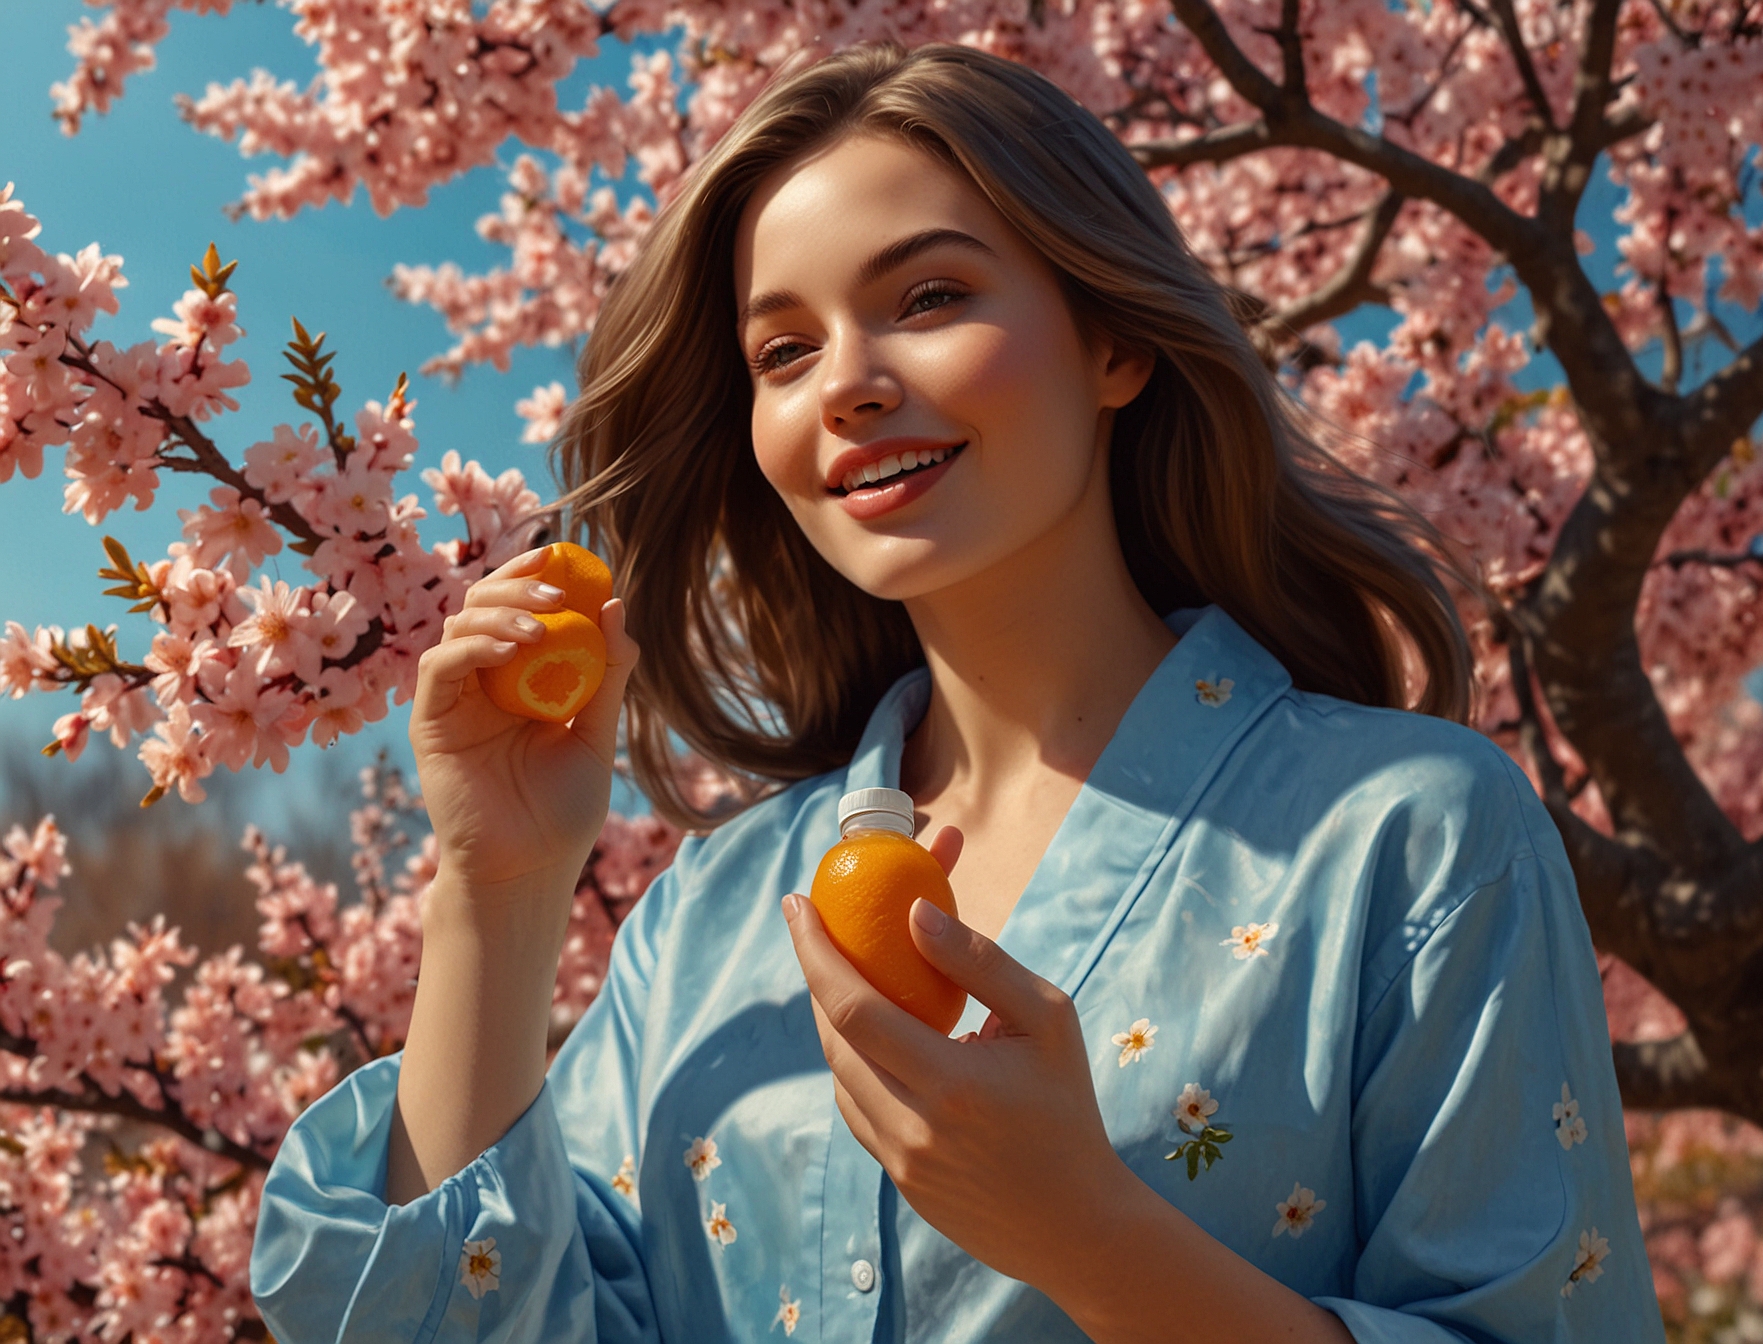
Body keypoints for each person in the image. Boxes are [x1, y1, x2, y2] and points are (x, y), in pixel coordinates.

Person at [249, 39, 1667, 1344]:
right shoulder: (708, 920)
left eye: (929, 297)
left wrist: (1089, 1234)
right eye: (783, 351)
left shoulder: (1408, 841)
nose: (848, 386)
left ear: (1115, 342)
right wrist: (493, 891)